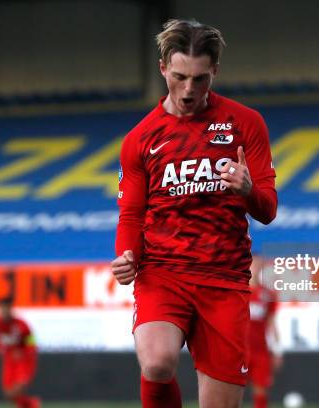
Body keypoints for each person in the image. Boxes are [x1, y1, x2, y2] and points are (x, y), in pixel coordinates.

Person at [112, 19, 277, 408]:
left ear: (214, 71)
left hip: (224, 278)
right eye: (180, 76)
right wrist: (126, 254)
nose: (188, 90)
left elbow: (268, 209)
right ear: (163, 68)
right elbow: (131, 213)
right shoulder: (140, 139)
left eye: (200, 79)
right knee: (156, 362)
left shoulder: (246, 123)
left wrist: (249, 190)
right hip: (163, 272)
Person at [0, 298, 40, 408]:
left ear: (10, 309)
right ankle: (32, 404)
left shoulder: (22, 324)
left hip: (23, 361)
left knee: (18, 389)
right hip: (9, 360)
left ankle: (30, 404)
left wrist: (24, 352)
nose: (3, 311)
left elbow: (32, 342)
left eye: (6, 308)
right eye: (1, 308)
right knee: (8, 394)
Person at [248, 256, 283, 408]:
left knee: (261, 389)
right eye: (252, 264)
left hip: (259, 350)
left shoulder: (267, 294)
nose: (255, 268)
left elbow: (272, 323)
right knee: (231, 389)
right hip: (238, 350)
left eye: (258, 265)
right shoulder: (236, 291)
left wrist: (277, 350)